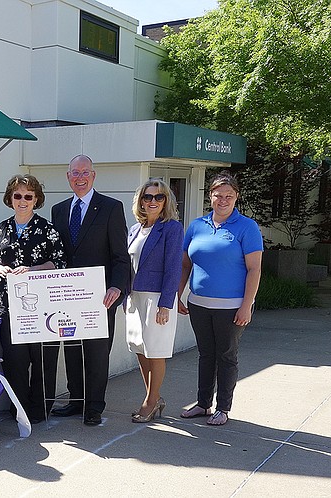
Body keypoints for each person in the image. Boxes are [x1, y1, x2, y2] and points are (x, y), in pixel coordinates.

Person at [46, 154, 130, 426]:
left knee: (96, 353)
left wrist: (117, 286)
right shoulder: (58, 210)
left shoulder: (111, 207)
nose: (80, 178)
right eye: (74, 173)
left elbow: (120, 255)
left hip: (100, 298)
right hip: (68, 298)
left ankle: (93, 407)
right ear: (68, 177)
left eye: (85, 173)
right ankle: (76, 400)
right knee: (71, 349)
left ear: (93, 176)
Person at [178, 171, 262, 426]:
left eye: (229, 195)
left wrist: (246, 305)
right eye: (218, 195)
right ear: (210, 196)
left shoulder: (247, 227)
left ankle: (223, 408)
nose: (223, 200)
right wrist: (177, 295)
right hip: (199, 304)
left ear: (236, 197)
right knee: (206, 354)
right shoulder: (197, 226)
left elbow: (254, 269)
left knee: (226, 356)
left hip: (232, 307)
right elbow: (184, 264)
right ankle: (203, 404)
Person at [0, 174, 66, 423]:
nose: (22, 200)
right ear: (10, 198)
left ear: (36, 199)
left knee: (43, 361)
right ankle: (19, 409)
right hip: (9, 307)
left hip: (43, 309)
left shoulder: (48, 230)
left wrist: (34, 270)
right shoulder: (2, 228)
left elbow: (61, 262)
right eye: (17, 195)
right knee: (15, 363)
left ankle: (39, 412)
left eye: (28, 196)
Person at [125, 179, 183, 423]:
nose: (152, 201)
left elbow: (173, 268)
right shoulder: (135, 229)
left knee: (155, 351)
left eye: (159, 197)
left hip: (157, 297)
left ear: (166, 201)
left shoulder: (172, 228)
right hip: (135, 296)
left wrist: (165, 304)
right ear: (140, 200)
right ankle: (153, 397)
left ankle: (151, 401)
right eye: (147, 197)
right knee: (139, 348)